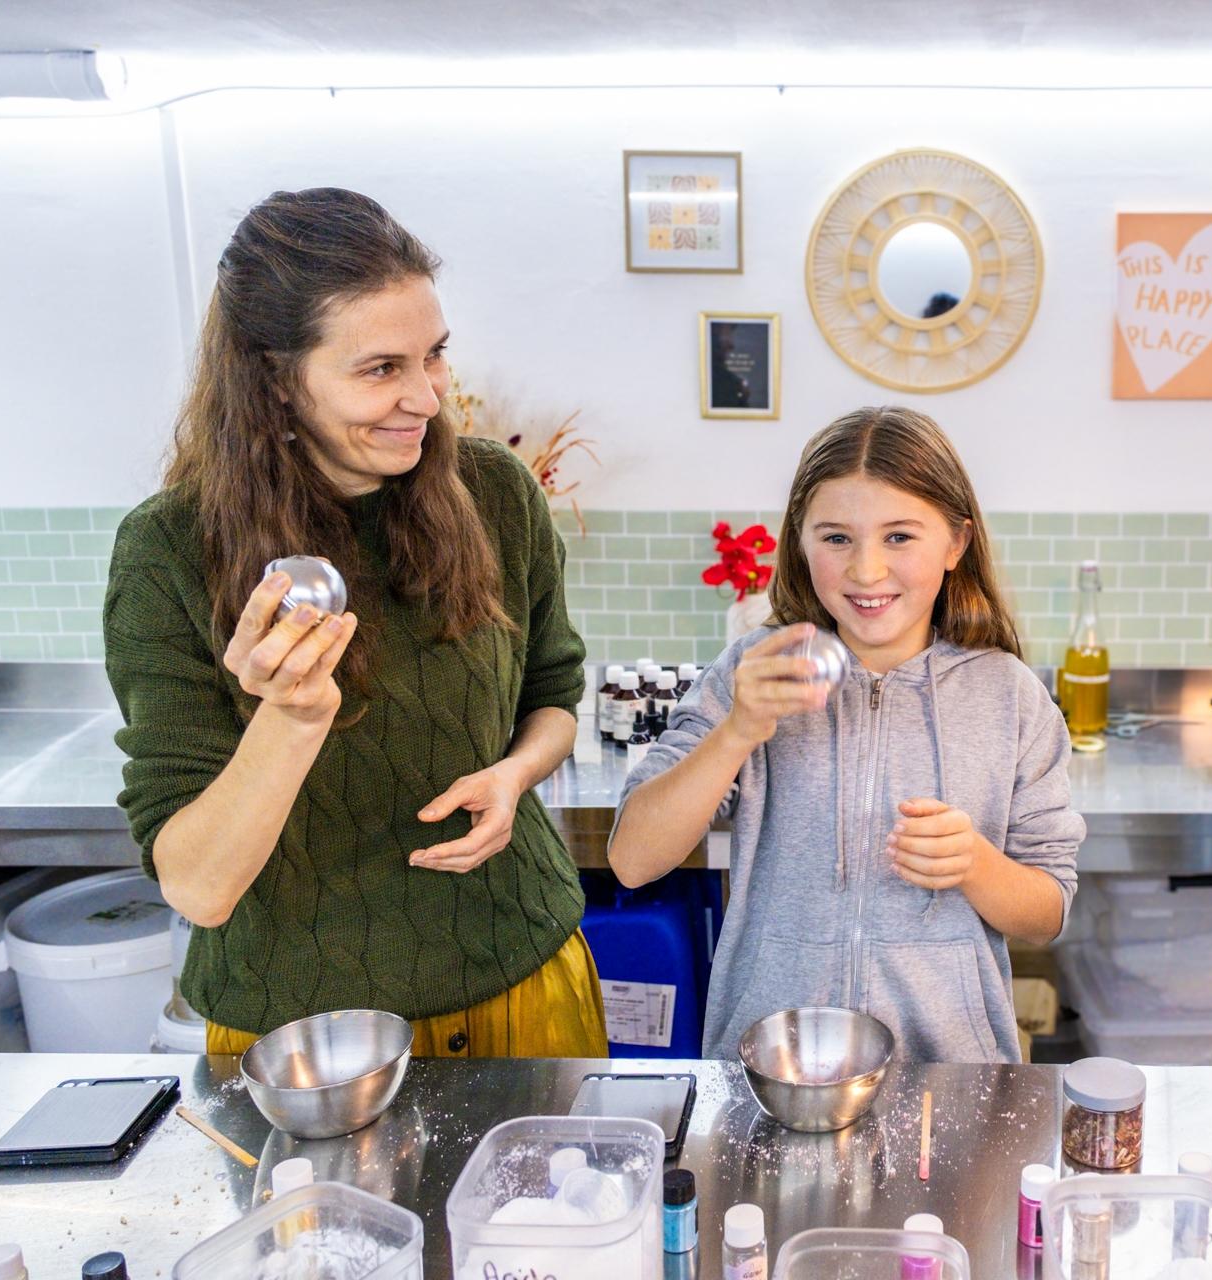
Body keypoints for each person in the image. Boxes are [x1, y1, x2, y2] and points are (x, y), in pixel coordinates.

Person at [104, 188, 608, 1057]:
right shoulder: (170, 552)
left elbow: (555, 695)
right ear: (273, 377)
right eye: (381, 369)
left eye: (435, 356)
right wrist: (292, 717)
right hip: (304, 1036)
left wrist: (515, 776)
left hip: (522, 971)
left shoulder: (492, 493)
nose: (427, 397)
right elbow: (199, 888)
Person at [608, 406, 1084, 1062]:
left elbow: (1049, 909)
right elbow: (634, 857)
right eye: (836, 538)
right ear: (801, 544)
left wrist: (977, 866)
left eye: (898, 537)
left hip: (948, 1073)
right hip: (775, 1069)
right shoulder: (757, 672)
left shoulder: (1009, 696)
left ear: (955, 543)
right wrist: (737, 732)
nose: (865, 571)